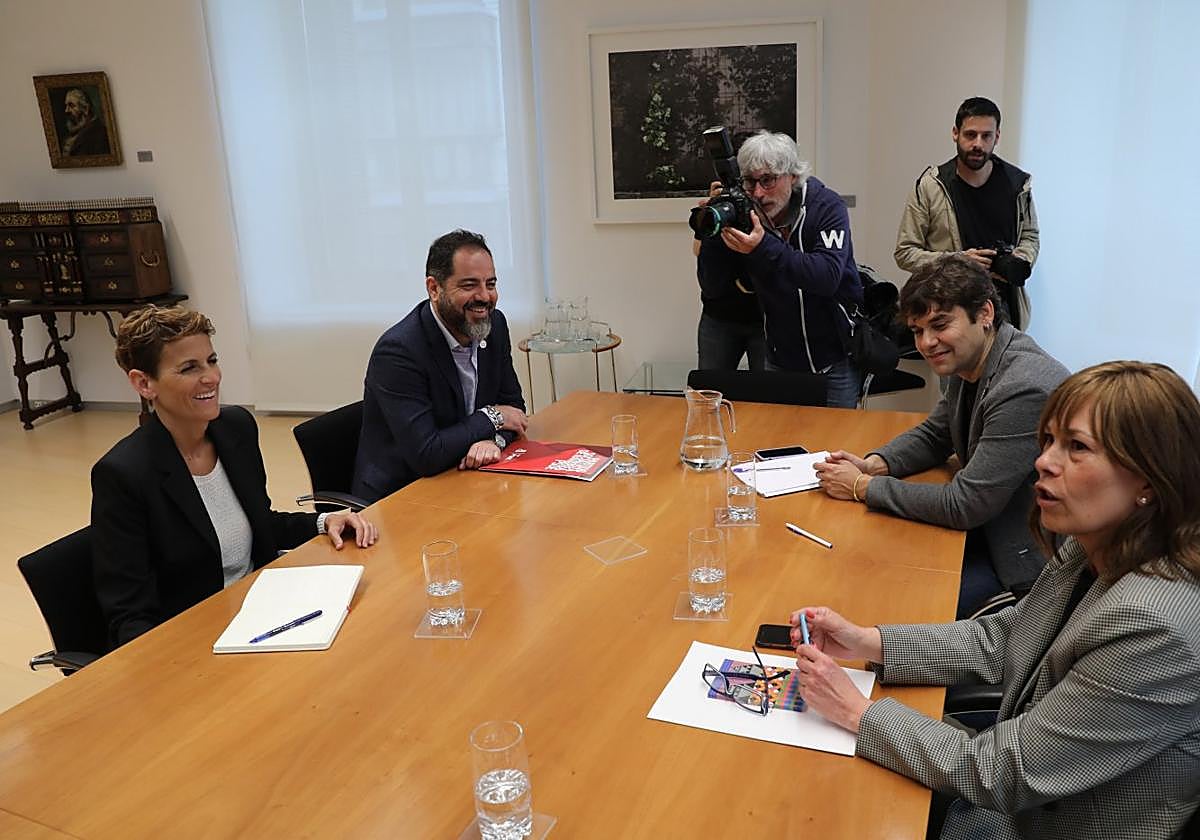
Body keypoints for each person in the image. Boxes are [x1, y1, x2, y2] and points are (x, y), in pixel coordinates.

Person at [790, 361, 1200, 840]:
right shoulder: (1096, 543)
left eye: (1078, 447)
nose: (1044, 462)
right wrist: (866, 642)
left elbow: (1007, 773)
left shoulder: (1155, 626)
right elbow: (1008, 637)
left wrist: (857, 712)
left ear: (1149, 481)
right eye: (1047, 441)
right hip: (1018, 784)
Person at [92, 306, 377, 648]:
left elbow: (257, 524)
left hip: (263, 609)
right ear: (143, 383)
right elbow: (130, 616)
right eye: (189, 368)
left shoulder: (235, 428)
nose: (211, 377)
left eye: (212, 360)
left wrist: (325, 520)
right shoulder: (124, 474)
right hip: (200, 638)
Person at [815, 255, 1068, 617]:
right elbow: (937, 433)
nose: (927, 343)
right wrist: (875, 464)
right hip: (986, 531)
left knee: (892, 606)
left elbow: (966, 504)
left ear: (984, 314)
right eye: (918, 331)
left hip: (1024, 567)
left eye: (939, 325)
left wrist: (862, 488)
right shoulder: (969, 358)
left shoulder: (1023, 388)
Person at [352, 229, 527, 503]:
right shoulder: (399, 352)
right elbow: (427, 454)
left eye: (490, 284)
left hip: (465, 479)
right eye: (469, 285)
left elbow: (514, 409)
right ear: (434, 288)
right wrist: (492, 417)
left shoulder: (495, 326)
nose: (484, 297)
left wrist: (494, 441)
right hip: (402, 497)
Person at [694, 130, 863, 407]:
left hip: (834, 358)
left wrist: (762, 248)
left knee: (835, 445)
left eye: (768, 180)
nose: (759, 193)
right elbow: (712, 286)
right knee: (778, 443)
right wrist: (714, 230)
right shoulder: (747, 212)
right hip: (779, 358)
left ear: (793, 177)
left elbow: (826, 276)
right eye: (750, 182)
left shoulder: (826, 206)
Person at [895, 97, 1039, 329]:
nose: (978, 144)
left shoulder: (1017, 184)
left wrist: (1019, 260)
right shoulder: (931, 185)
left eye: (986, 136)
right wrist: (957, 261)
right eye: (970, 135)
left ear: (997, 137)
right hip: (949, 311)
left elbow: (1030, 236)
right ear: (955, 133)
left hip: (1005, 312)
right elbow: (905, 252)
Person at [60, 88, 111, 157]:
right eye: (66, 106)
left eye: (71, 106)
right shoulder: (74, 132)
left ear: (86, 109)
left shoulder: (99, 132)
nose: (66, 110)